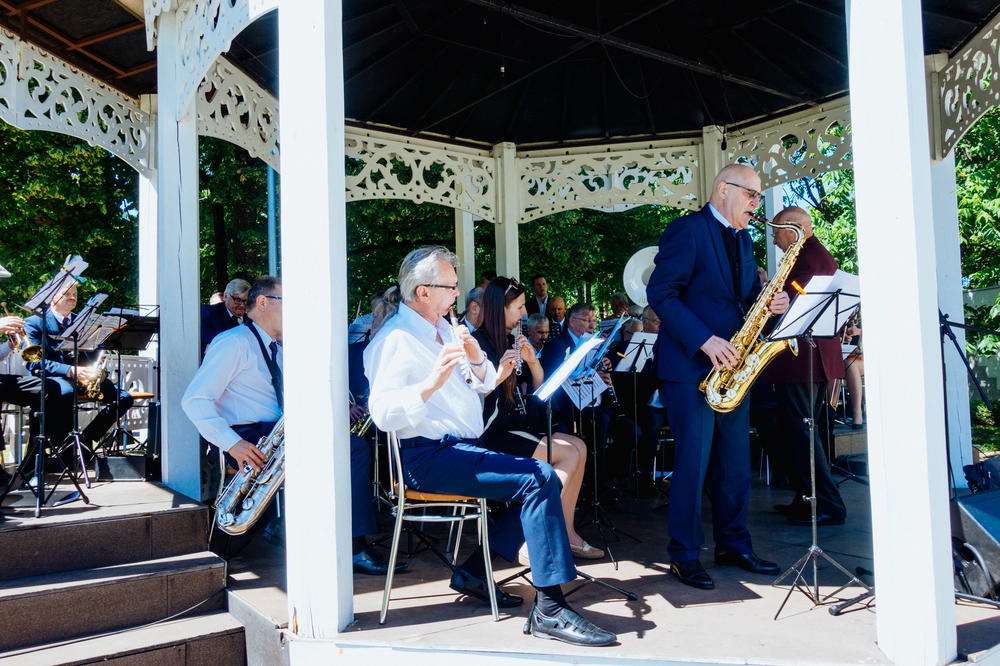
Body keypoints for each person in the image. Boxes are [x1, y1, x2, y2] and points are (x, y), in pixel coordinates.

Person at [364, 246, 615, 647]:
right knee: (539, 476)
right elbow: (383, 414)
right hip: (426, 455)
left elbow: (479, 383)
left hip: (461, 446)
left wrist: (475, 357)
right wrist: (430, 384)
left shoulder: (445, 329)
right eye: (449, 286)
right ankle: (550, 609)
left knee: (541, 480)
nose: (457, 295)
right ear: (423, 292)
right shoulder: (396, 338)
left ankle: (480, 573)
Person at [183, 276, 396, 574]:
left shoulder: (280, 349)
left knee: (352, 447)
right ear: (262, 303)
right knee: (352, 451)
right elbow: (194, 400)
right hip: (251, 439)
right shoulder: (233, 343)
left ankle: (340, 540)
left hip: (279, 434)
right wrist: (232, 443)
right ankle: (352, 547)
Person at [645, 163, 788, 591]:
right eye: (752, 195)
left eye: (759, 197)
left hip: (733, 368)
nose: (756, 205)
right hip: (691, 367)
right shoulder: (687, 230)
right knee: (692, 464)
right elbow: (661, 293)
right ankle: (684, 555)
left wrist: (768, 302)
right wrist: (705, 340)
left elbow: (741, 300)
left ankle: (734, 545)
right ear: (724, 189)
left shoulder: (743, 240)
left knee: (734, 465)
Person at [472, 276, 603, 560]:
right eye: (518, 307)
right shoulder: (477, 342)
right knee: (567, 454)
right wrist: (498, 377)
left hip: (517, 424)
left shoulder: (510, 339)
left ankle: (566, 534)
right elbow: (471, 398)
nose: (523, 313)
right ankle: (538, 534)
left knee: (579, 446)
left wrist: (532, 362)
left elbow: (539, 387)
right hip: (492, 433)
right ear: (500, 308)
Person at [760, 206, 847, 526]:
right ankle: (807, 498)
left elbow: (794, 306)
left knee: (801, 432)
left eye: (775, 231)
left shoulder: (809, 257)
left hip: (804, 358)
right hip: (811, 357)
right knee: (801, 430)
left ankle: (827, 504)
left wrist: (767, 290)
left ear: (793, 229)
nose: (772, 237)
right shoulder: (811, 254)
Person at [23, 281, 134, 451]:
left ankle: (85, 441)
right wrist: (70, 370)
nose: (72, 297)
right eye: (67, 293)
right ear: (52, 297)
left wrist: (101, 338)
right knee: (67, 392)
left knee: (124, 398)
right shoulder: (34, 322)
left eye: (74, 293)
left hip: (82, 377)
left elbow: (91, 356)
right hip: (55, 377)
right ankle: (58, 447)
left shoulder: (82, 322)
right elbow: (35, 362)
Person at [200, 278, 251, 354]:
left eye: (246, 301)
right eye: (237, 300)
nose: (242, 305)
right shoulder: (208, 313)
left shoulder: (251, 319)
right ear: (225, 296)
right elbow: (200, 336)